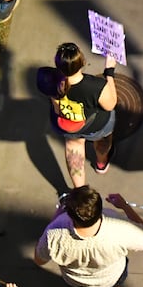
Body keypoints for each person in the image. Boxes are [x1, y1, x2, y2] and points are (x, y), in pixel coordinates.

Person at [34, 186, 143, 287]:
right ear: (99, 208)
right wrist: (125, 206)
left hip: (76, 279)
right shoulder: (117, 226)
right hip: (110, 277)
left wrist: (56, 217)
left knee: (84, 285)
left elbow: (39, 260)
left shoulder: (54, 231)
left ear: (70, 214)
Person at [47, 42, 119, 186]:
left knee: (74, 148)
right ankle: (101, 163)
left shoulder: (52, 82)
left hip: (69, 125)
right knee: (103, 139)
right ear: (83, 62)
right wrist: (109, 72)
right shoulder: (96, 86)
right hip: (95, 126)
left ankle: (79, 192)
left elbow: (57, 108)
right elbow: (111, 104)